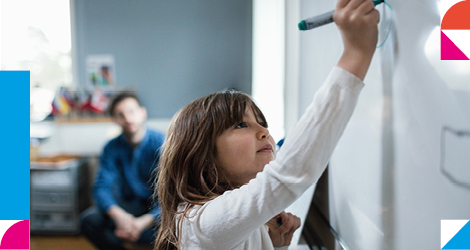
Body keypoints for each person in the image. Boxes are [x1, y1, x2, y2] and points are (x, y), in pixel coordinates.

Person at [154, 0, 379, 249]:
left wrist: (274, 245)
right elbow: (286, 176)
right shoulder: (202, 223)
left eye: (262, 123)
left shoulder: (223, 220)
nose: (264, 132)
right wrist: (356, 53)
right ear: (202, 156)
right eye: (241, 125)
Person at [81, 92, 165, 250]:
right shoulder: (111, 148)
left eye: (131, 112)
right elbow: (101, 187)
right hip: (127, 209)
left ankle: (133, 232)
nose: (127, 118)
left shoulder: (162, 143)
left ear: (142, 113)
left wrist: (144, 222)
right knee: (88, 221)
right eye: (120, 114)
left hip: (158, 211)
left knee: (179, 224)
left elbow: (174, 194)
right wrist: (119, 215)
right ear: (114, 119)